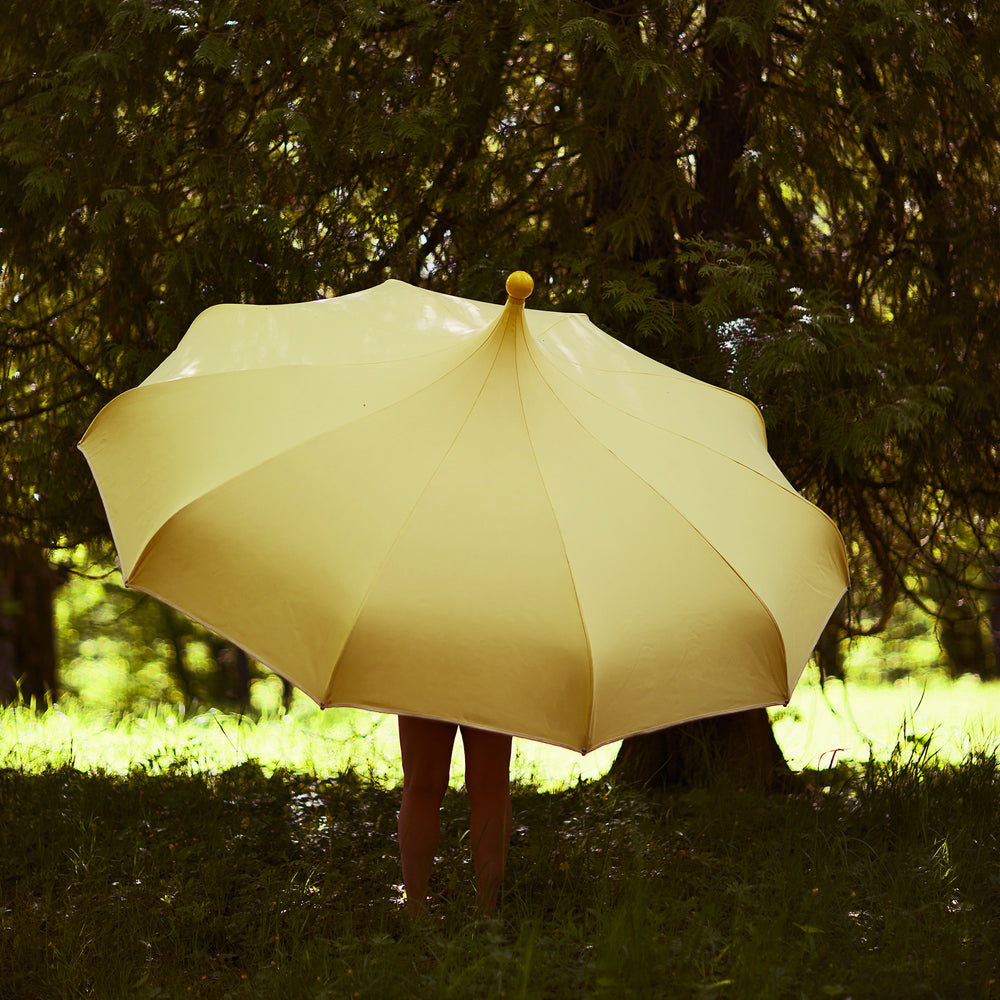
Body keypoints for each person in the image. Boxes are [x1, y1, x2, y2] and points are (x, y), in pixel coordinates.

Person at [397, 714, 513, 916]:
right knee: (491, 786)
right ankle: (488, 911)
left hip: (426, 684)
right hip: (491, 684)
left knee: (422, 785)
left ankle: (415, 911)